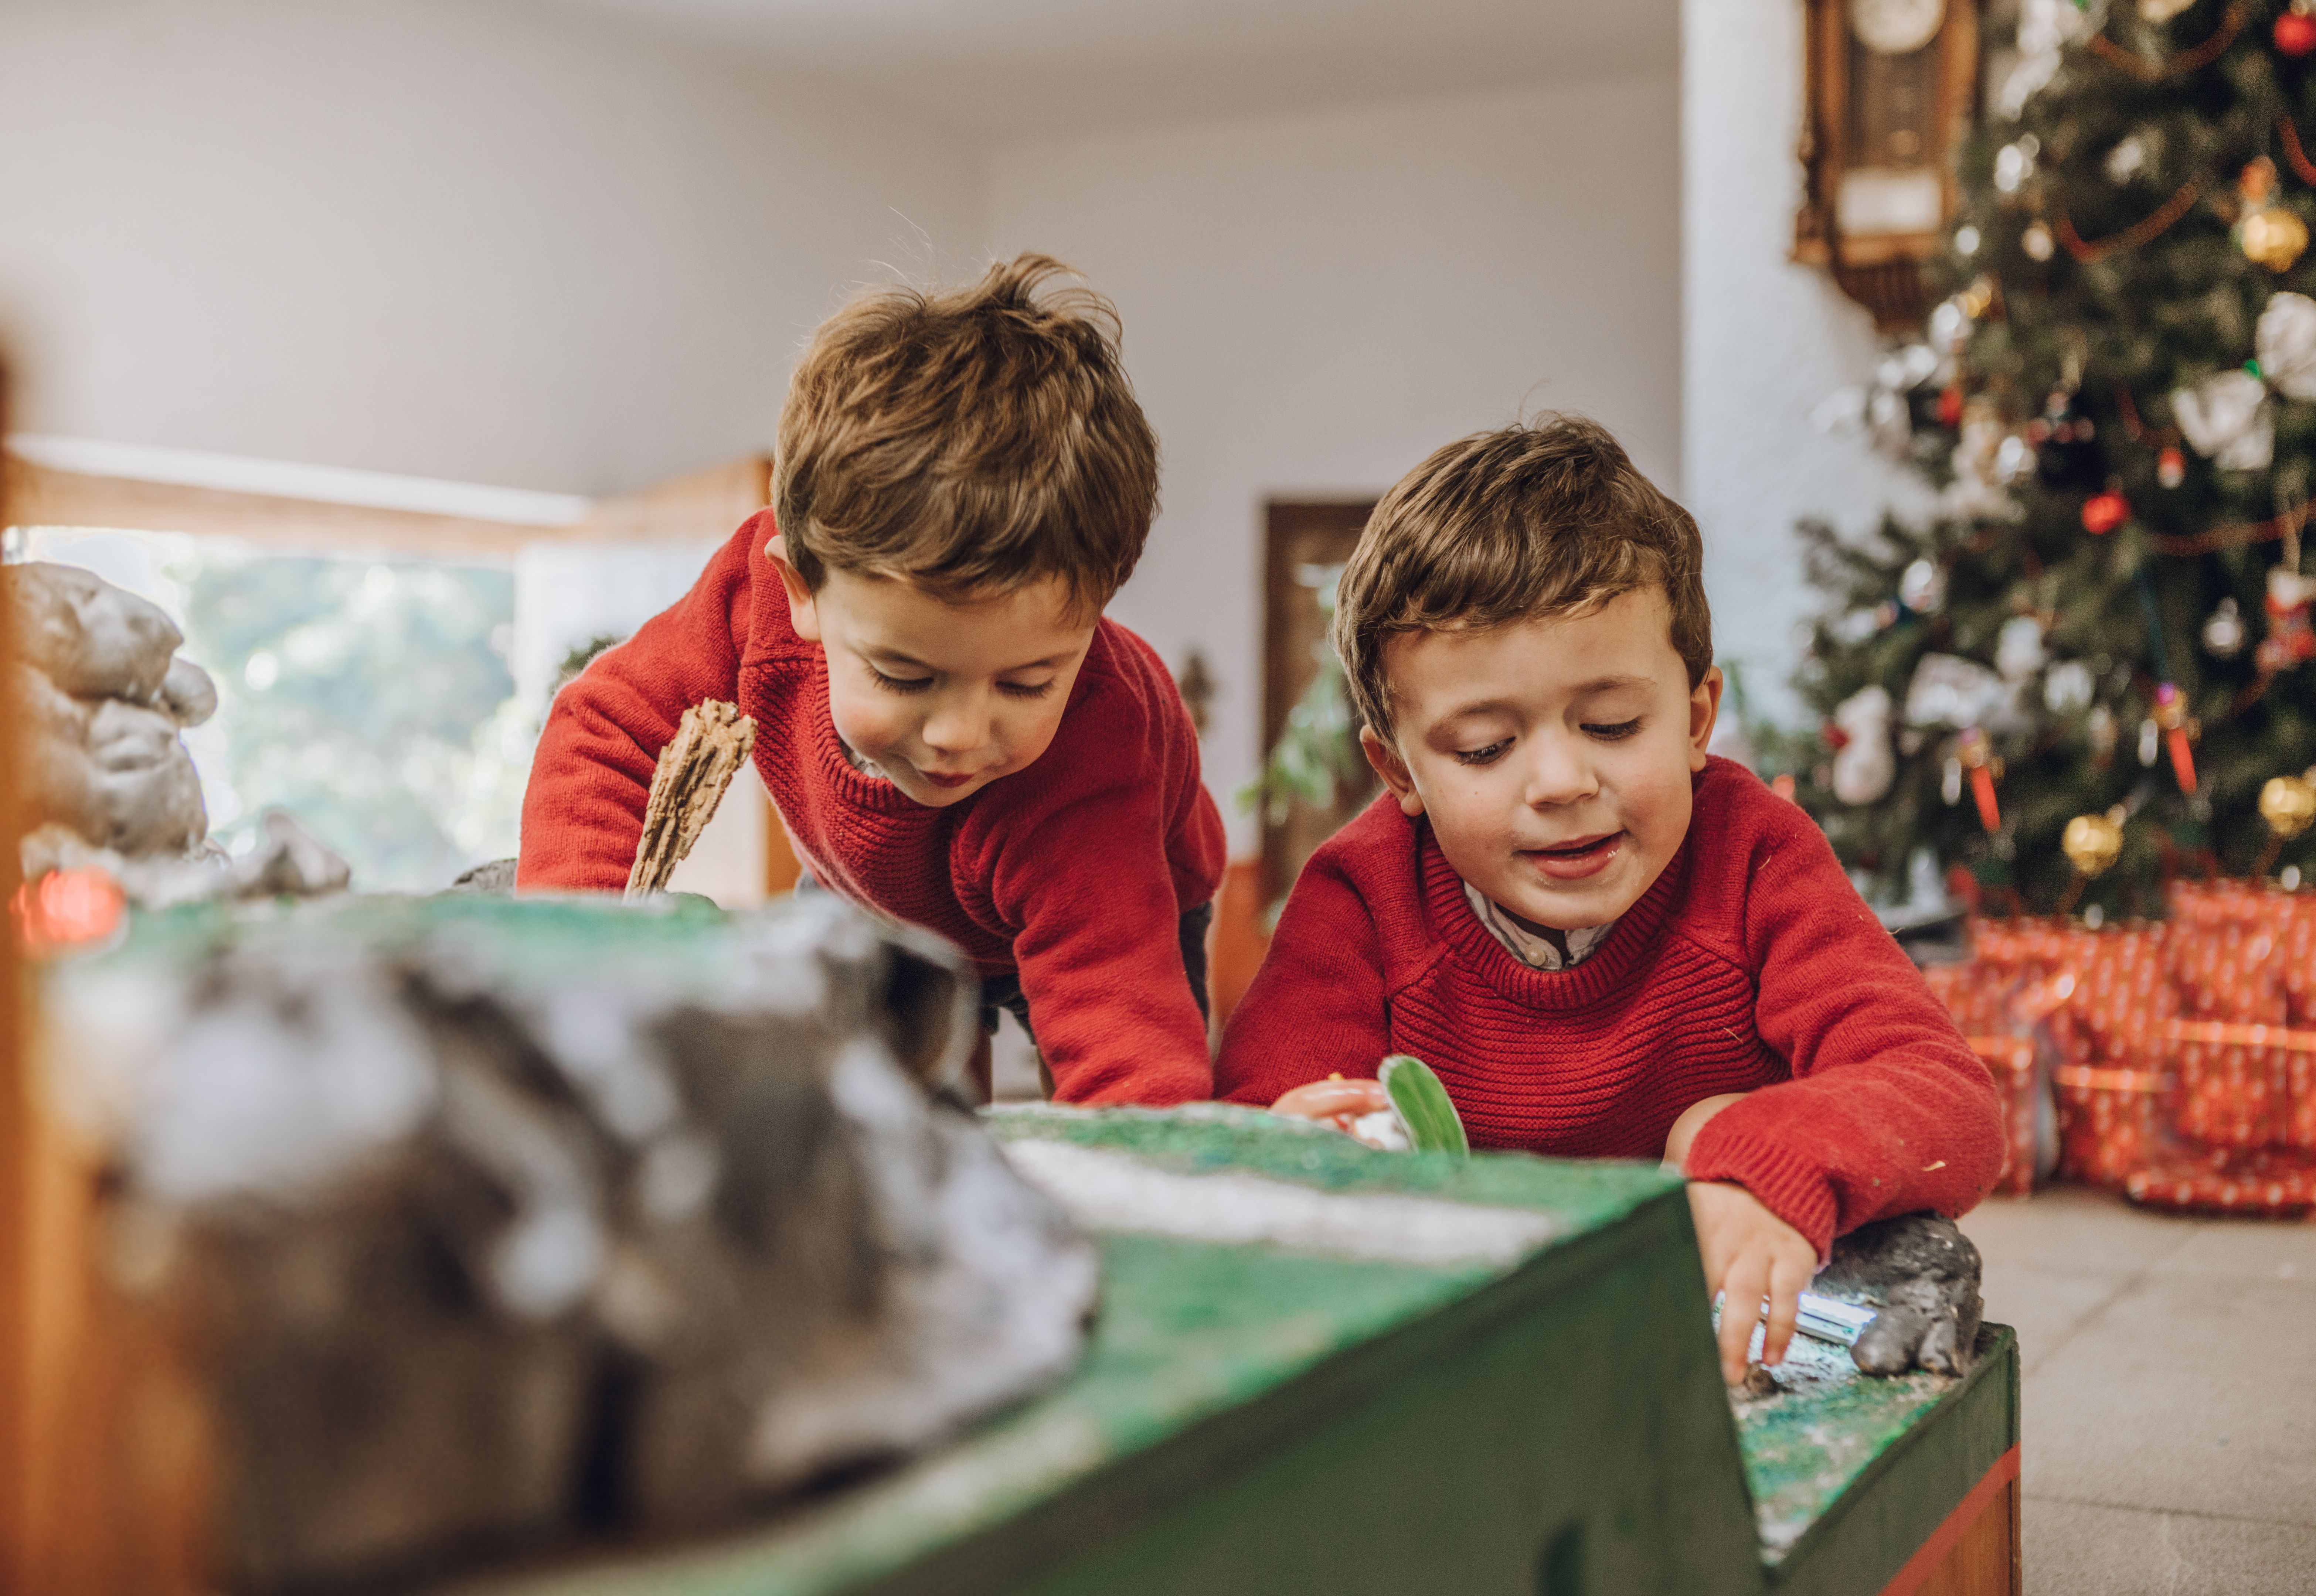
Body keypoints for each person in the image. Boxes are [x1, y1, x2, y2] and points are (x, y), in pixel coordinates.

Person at [1216, 416, 2003, 1383]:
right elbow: (1266, 1127)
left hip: (1719, 1325)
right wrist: (1292, 1151)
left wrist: (1764, 1158)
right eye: (1483, 748)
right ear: (1399, 771)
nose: (1558, 781)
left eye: (1611, 723)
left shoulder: (1753, 854)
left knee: (1721, 1138)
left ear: (1694, 718)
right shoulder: (1362, 895)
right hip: (1469, 1337)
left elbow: (1945, 1096)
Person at [518, 256, 1222, 1106]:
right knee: (878, 1106)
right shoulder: (755, 601)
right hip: (874, 884)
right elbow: (606, 728)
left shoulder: (1092, 755)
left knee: (1101, 1114)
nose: (958, 734)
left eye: (1027, 683)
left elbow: (1131, 1066)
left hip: (1114, 897)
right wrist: (567, 975)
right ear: (801, 592)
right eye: (904, 674)